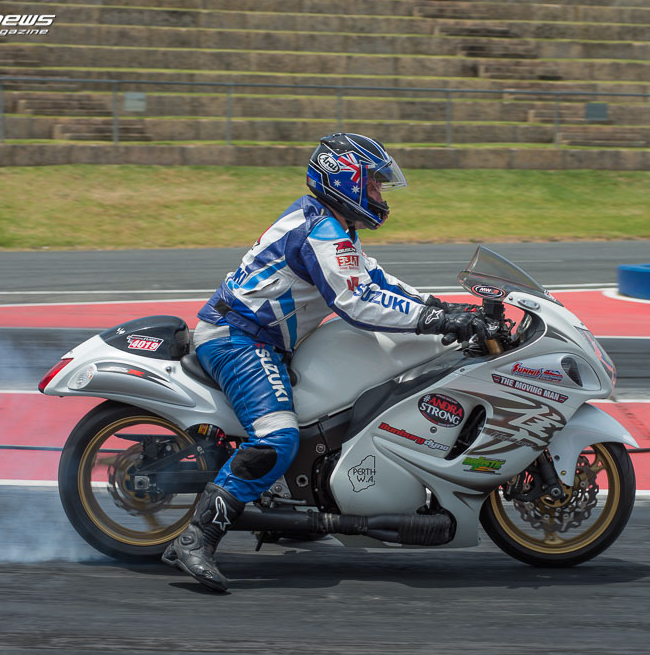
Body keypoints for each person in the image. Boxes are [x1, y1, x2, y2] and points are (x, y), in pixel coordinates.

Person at [162, 133, 487, 591]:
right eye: (372, 183)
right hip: (238, 340)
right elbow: (357, 301)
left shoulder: (333, 225)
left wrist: (445, 308)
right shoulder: (321, 230)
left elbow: (376, 279)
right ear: (345, 180)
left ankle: (292, 506)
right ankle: (196, 538)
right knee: (277, 438)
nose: (379, 193)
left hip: (266, 341)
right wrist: (435, 320)